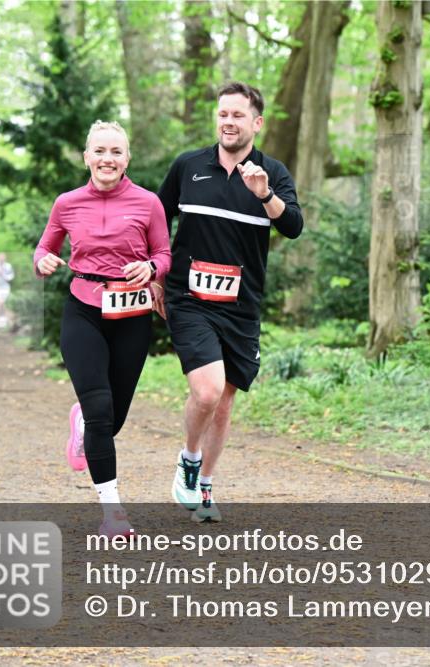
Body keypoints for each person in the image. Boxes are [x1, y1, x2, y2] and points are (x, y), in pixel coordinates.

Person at [155, 81, 303, 523]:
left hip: (241, 305)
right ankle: (188, 458)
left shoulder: (271, 173)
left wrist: (265, 196)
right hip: (188, 297)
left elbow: (293, 226)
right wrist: (157, 275)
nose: (228, 122)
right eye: (223, 114)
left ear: (256, 123)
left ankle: (204, 487)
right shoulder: (188, 166)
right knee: (207, 390)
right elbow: (156, 221)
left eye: (237, 115)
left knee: (224, 403)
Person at [34, 120, 171, 537]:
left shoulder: (148, 203)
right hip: (83, 309)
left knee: (113, 418)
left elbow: (164, 253)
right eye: (99, 151)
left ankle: (84, 425)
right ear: (86, 157)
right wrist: (42, 261)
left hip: (131, 314)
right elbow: (45, 247)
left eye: (115, 152)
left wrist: (149, 267)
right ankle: (113, 513)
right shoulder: (67, 203)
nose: (107, 159)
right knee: (98, 409)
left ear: (127, 159)